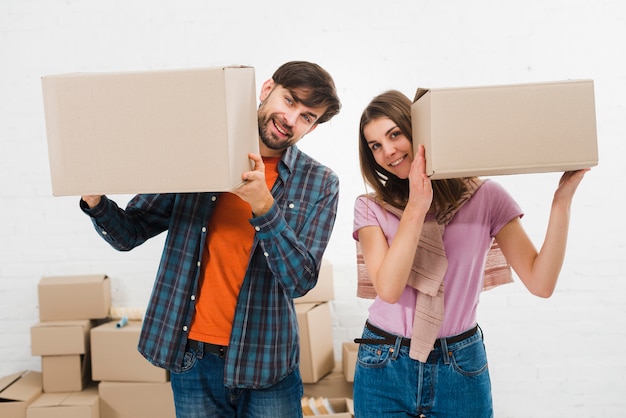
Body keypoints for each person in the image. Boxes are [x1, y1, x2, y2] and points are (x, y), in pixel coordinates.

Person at [80, 61, 341, 417]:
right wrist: (95, 201)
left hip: (267, 362)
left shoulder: (320, 183)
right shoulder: (199, 154)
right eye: (290, 101)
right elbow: (131, 231)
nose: (292, 119)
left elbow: (300, 281)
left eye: (308, 117)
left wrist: (264, 206)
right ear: (266, 89)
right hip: (193, 360)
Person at [352, 90, 588, 417]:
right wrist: (417, 206)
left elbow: (541, 283)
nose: (388, 151)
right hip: (384, 363)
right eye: (375, 145)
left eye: (395, 134)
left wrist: (562, 201)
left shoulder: (485, 197)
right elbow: (389, 289)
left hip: (460, 363)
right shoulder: (370, 208)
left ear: (417, 131)